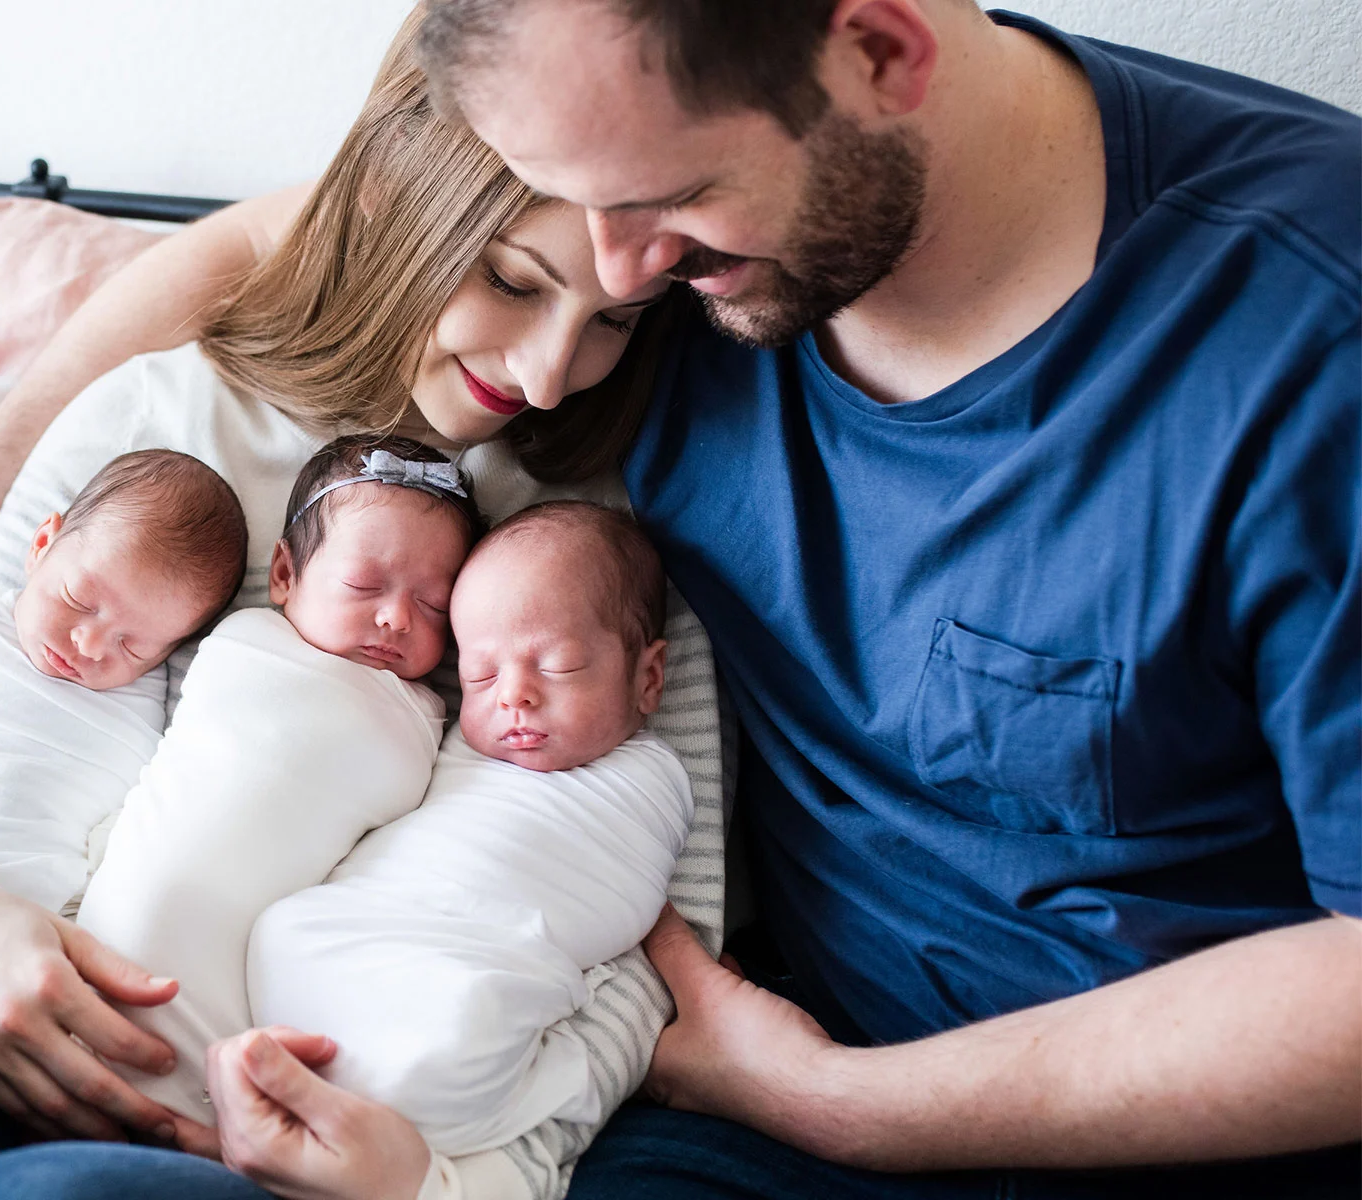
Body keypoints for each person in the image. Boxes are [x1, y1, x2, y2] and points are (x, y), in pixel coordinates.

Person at [0, 10, 734, 1199]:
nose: (548, 372)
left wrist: (458, 1183)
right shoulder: (149, 424)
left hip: (287, 1119)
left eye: (610, 321)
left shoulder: (592, 552)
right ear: (403, 203)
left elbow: (662, 955)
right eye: (510, 279)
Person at [401, 0, 1358, 1196]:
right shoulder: (669, 249)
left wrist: (835, 1105)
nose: (617, 271)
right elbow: (312, 243)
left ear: (881, 52)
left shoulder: (1314, 332)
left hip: (1156, 1147)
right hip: (735, 1095)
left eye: (669, 194)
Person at [249, 501, 693, 1156]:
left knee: (467, 1021)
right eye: (480, 674)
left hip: (481, 963)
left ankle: (436, 1116)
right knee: (280, 930)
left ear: (648, 677)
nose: (512, 694)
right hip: (375, 920)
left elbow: (652, 909)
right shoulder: (456, 746)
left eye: (557, 665)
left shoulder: (658, 777)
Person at [77, 434, 480, 1119]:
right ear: (286, 575)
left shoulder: (421, 722)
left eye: (435, 605)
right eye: (363, 585)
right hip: (106, 935)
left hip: (241, 994)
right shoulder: (238, 641)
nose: (396, 617)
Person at [0, 448, 247, 920]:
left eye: (133, 646)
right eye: (78, 598)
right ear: (41, 545)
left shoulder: (149, 704)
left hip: (49, 917)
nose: (90, 644)